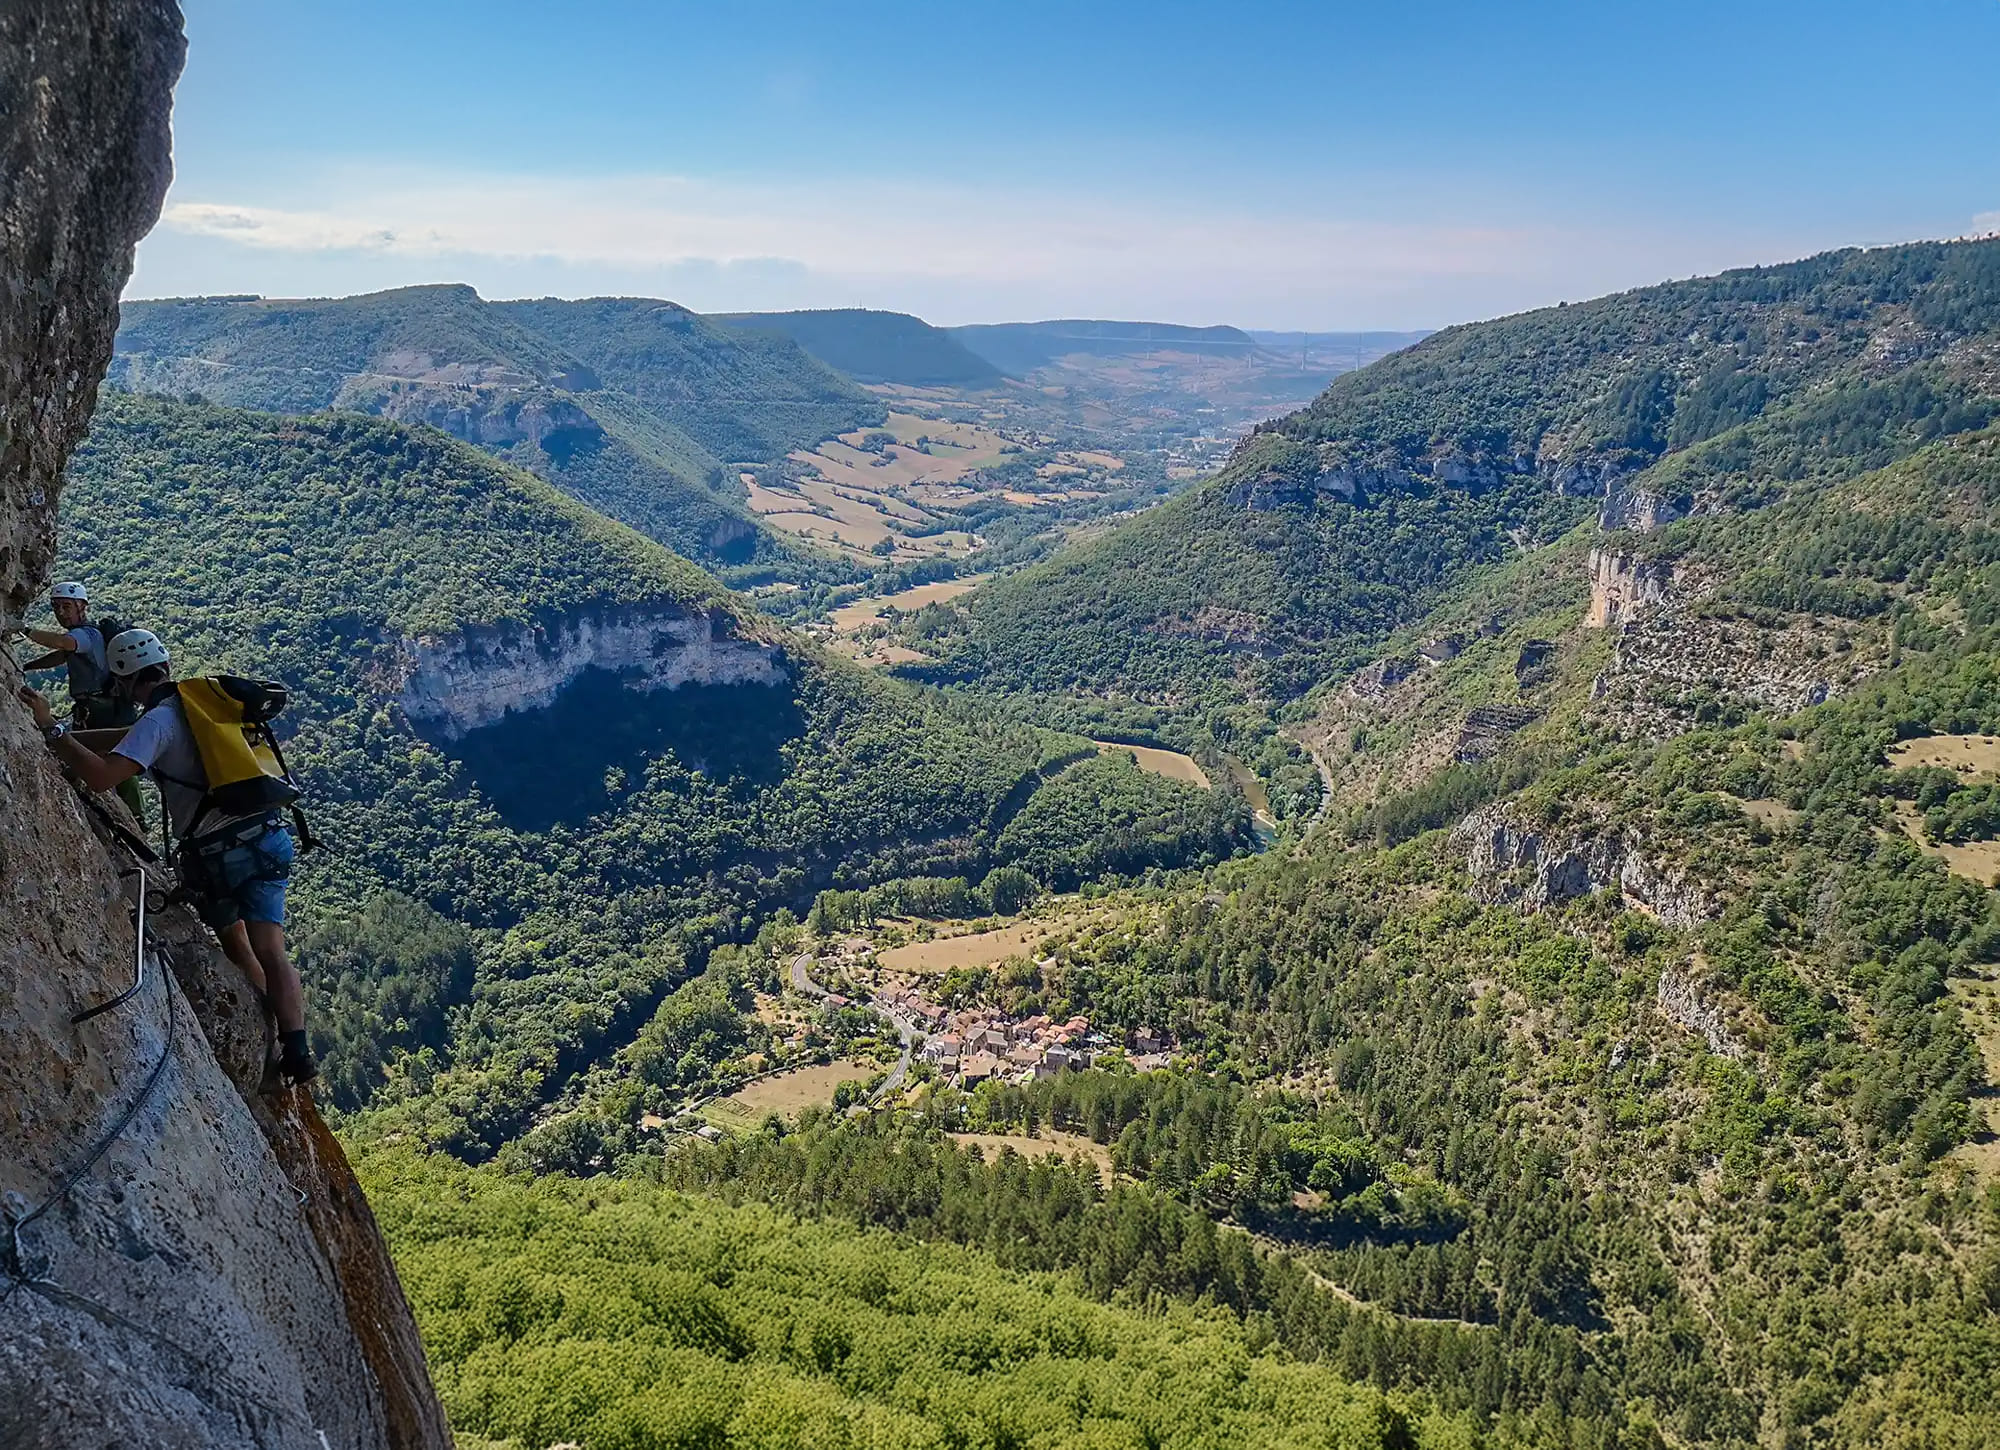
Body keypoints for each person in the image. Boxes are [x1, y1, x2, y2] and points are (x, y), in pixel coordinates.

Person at [16, 627, 317, 1087]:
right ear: (165, 668)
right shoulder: (201, 707)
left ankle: (268, 1040)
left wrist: (51, 729)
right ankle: (295, 1047)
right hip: (269, 837)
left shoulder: (157, 724)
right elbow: (124, 737)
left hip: (222, 854)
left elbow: (101, 776)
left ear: (123, 683)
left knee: (238, 945)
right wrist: (65, 730)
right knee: (273, 951)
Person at [16, 580, 145, 818]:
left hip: (102, 709)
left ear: (81, 606)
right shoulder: (84, 637)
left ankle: (135, 814)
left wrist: (24, 630)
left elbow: (63, 643)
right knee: (89, 749)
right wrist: (24, 666)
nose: (61, 612)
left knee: (113, 755)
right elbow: (61, 655)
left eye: (66, 606)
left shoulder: (85, 635)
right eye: (56, 607)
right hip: (95, 706)